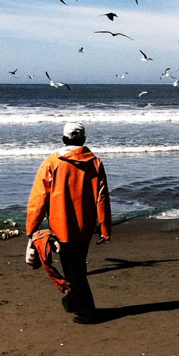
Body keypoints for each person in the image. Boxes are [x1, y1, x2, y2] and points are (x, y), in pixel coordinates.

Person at [26, 122, 111, 324]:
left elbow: (38, 199)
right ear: (83, 139)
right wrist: (104, 227)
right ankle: (74, 302)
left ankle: (87, 311)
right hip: (85, 226)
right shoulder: (95, 162)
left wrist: (32, 228)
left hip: (60, 225)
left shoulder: (52, 162)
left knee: (74, 271)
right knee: (76, 267)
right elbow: (102, 197)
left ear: (64, 138)